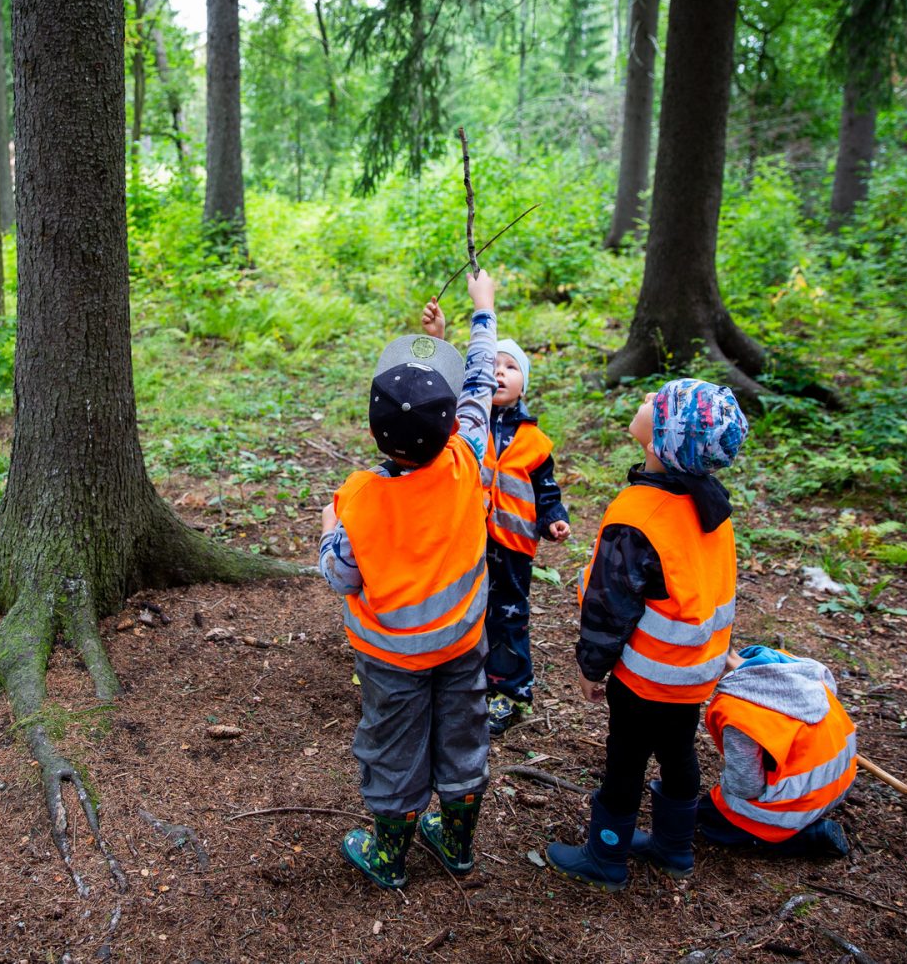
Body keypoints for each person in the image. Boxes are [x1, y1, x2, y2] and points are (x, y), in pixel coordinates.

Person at [317, 270, 499, 890]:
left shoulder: (359, 501)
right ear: (450, 425)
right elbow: (478, 384)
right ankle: (456, 843)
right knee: (463, 734)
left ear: (374, 430)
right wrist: (481, 315)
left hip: (392, 658)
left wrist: (326, 528)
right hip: (460, 643)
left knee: (393, 744)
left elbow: (341, 576)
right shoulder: (468, 457)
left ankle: (390, 855)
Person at [546, 378, 748, 890]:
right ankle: (673, 848)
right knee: (679, 751)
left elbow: (609, 609)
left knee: (626, 758)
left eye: (656, 404)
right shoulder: (711, 504)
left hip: (646, 677)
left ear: (664, 440)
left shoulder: (639, 516)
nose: (644, 402)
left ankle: (606, 856)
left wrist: (591, 668)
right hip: (695, 670)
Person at [422, 304, 570, 736]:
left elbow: (546, 490)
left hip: (512, 548)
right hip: (464, 541)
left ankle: (508, 691)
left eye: (511, 367)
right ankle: (459, 684)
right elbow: (448, 391)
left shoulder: (536, 440)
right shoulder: (465, 424)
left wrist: (553, 518)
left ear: (524, 382)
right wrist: (442, 338)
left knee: (508, 617)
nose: (500, 373)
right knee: (461, 609)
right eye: (493, 365)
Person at [698, 645, 855, 858]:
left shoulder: (737, 709)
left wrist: (724, 785)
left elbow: (746, 787)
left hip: (802, 802)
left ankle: (806, 837)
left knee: (709, 818)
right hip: (840, 780)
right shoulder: (789, 662)